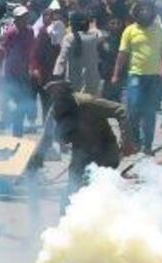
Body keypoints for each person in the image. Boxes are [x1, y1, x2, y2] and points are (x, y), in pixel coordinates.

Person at [45, 80, 129, 213]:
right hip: (81, 152)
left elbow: (121, 110)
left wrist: (126, 141)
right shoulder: (56, 109)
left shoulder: (87, 103)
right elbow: (48, 135)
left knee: (99, 190)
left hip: (104, 152)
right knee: (72, 190)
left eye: (59, 93)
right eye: (53, 94)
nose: (56, 97)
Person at [111, 0, 162, 155]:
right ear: (136, 12)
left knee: (150, 112)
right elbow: (122, 54)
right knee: (134, 108)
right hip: (135, 75)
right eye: (141, 10)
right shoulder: (130, 30)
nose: (144, 12)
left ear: (152, 12)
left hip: (154, 77)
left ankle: (147, 145)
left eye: (147, 9)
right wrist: (116, 73)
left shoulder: (160, 30)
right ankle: (134, 141)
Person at [0, 6, 36, 136]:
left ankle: (17, 131)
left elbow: (31, 51)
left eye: (25, 16)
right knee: (15, 102)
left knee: (23, 102)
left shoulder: (30, 31)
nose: (24, 19)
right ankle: (14, 130)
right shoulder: (10, 32)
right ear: (16, 19)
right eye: (21, 17)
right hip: (11, 73)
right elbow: (1, 51)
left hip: (24, 73)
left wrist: (32, 68)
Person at [53, 11, 100, 96]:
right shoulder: (94, 37)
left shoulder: (69, 38)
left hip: (74, 82)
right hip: (92, 81)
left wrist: (56, 74)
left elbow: (62, 58)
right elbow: (97, 31)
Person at [98, 15, 125, 102]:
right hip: (105, 74)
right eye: (112, 23)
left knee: (118, 100)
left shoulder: (124, 40)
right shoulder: (102, 40)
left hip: (121, 74)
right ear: (107, 25)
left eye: (118, 23)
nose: (115, 26)